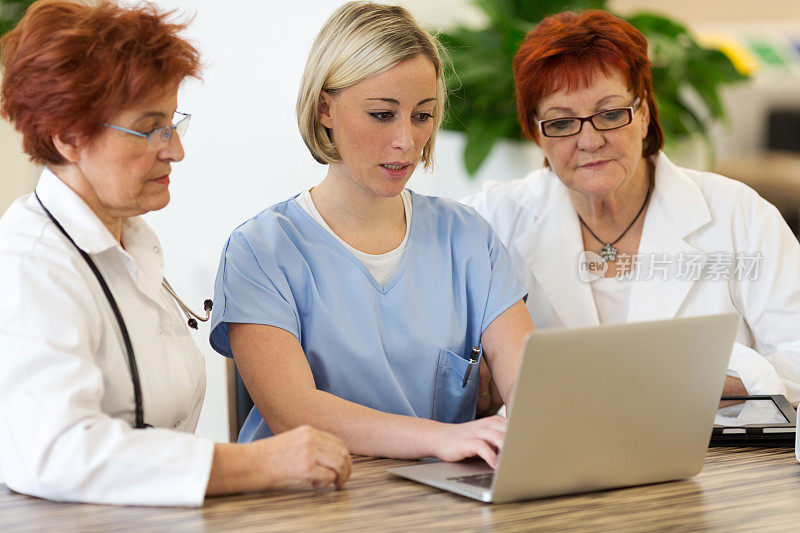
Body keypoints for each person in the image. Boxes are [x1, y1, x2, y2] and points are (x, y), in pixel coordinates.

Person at [0, 0, 350, 507]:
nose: (174, 150)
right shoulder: (28, 263)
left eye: (172, 123)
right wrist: (262, 461)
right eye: (148, 129)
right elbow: (56, 451)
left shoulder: (131, 243)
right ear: (68, 136)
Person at [209, 1, 534, 468]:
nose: (405, 140)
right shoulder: (261, 250)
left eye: (423, 116)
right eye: (383, 114)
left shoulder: (466, 237)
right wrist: (440, 438)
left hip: (440, 504)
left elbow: (529, 385)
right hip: (306, 502)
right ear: (325, 108)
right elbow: (293, 412)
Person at [461, 10, 800, 405]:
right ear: (536, 133)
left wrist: (672, 386)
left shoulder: (739, 215)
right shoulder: (490, 220)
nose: (589, 141)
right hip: (557, 457)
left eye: (609, 114)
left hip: (717, 458)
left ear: (643, 114)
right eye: (561, 122)